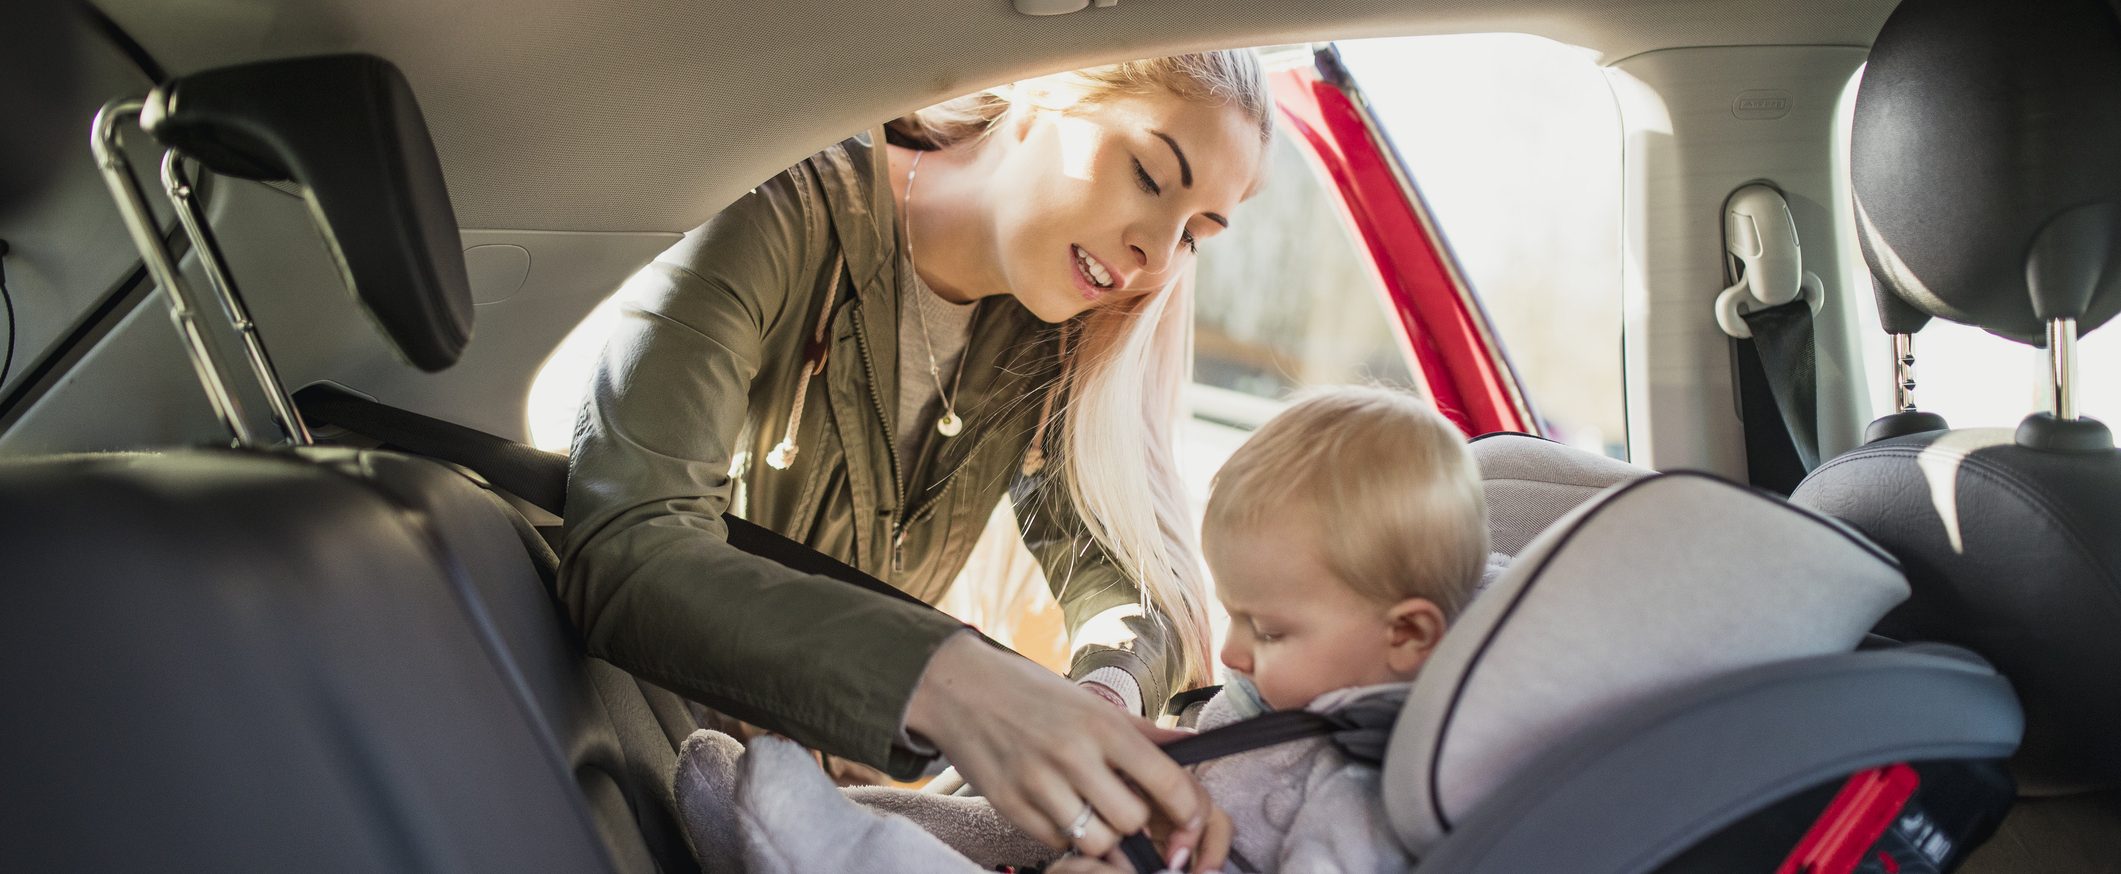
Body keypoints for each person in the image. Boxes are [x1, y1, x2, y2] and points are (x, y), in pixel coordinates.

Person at [559, 52, 1273, 865]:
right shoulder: (779, 212)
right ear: (1043, 91)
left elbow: (1117, 576)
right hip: (656, 761)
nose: (1156, 252)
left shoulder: (1053, 329)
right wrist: (949, 683)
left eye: (1196, 234)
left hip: (832, 801)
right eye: (1147, 175)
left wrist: (1100, 698)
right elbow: (626, 549)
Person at [672, 386, 1493, 874]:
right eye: (1232, 612)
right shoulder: (1279, 699)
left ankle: (799, 838)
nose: (1233, 651)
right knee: (989, 814)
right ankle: (825, 815)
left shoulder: (1368, 790)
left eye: (1269, 631)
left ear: (1409, 636)